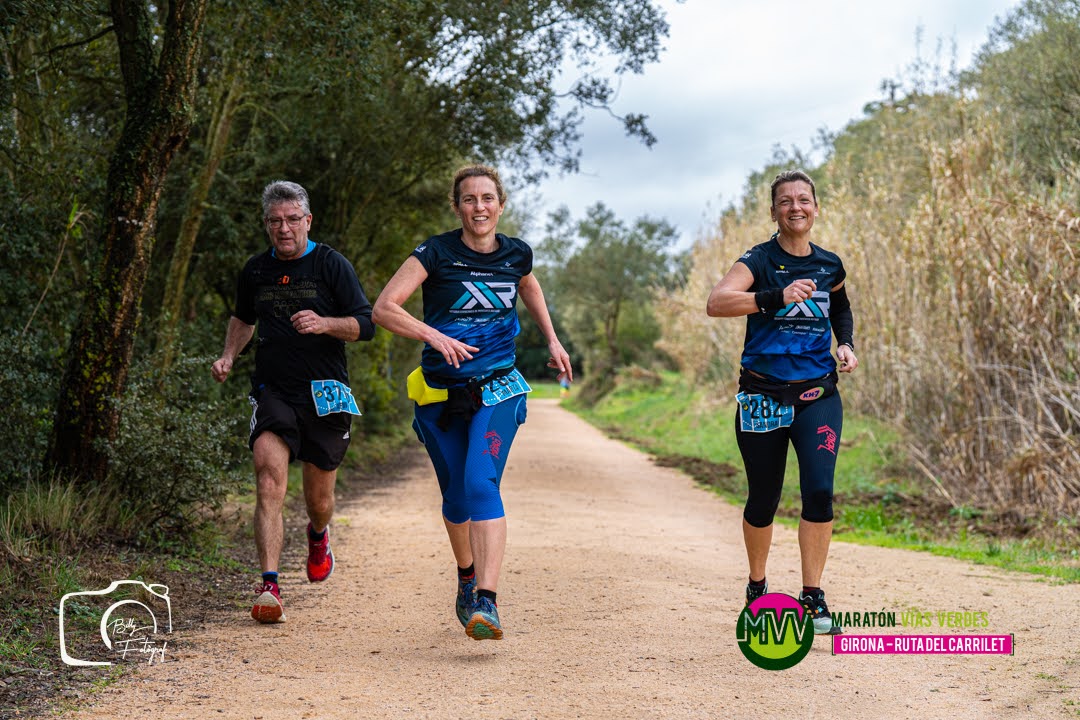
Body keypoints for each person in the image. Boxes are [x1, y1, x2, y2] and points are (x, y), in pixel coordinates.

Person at [372, 164, 571, 641]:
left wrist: (553, 339)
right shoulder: (435, 252)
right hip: (441, 392)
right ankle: (466, 575)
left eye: (487, 198)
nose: (479, 207)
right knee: (456, 497)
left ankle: (487, 600)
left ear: (500, 205)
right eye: (469, 199)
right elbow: (383, 308)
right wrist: (433, 335)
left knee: (480, 482)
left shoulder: (517, 253)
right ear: (456, 206)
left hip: (498, 385)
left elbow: (528, 283)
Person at [211, 180, 375, 623]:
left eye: (291, 220)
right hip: (273, 390)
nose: (283, 229)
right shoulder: (255, 270)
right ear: (266, 224)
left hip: (325, 394)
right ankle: (269, 587)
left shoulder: (330, 264)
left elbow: (366, 324)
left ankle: (318, 535)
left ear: (308, 220)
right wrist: (229, 354)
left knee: (319, 498)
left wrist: (324, 323)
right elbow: (244, 318)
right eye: (274, 221)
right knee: (268, 480)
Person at [705, 170, 858, 636]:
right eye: (786, 201)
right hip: (763, 396)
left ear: (816, 207)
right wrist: (775, 296)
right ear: (773, 211)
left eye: (804, 200)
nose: (796, 207)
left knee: (818, 491)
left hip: (818, 396)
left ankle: (812, 594)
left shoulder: (829, 264)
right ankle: (758, 584)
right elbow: (718, 302)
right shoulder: (759, 259)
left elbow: (840, 306)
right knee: (764, 498)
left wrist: (845, 343)